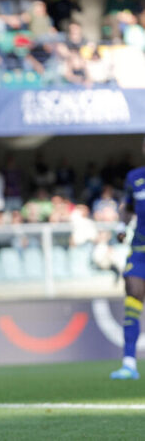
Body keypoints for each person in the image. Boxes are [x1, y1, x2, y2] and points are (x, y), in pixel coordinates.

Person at [111, 138, 145, 380]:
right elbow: (128, 207)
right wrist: (121, 226)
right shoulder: (135, 177)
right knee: (133, 291)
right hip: (140, 249)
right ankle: (129, 363)